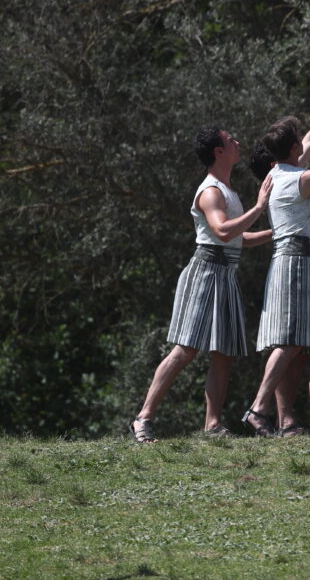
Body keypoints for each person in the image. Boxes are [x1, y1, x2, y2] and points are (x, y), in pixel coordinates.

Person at [130, 129, 272, 443]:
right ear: (218, 152)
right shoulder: (211, 191)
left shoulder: (227, 189)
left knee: (224, 353)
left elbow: (237, 238)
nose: (238, 143)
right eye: (230, 140)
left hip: (226, 273)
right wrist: (260, 207)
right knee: (185, 350)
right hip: (206, 272)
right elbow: (222, 231)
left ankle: (213, 425)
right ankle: (143, 418)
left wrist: (277, 233)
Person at [243, 117, 310, 436]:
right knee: (292, 339)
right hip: (299, 258)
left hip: (282, 257)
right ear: (294, 147)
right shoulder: (309, 177)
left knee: (290, 339)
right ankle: (258, 407)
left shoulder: (271, 176)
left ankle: (268, 411)